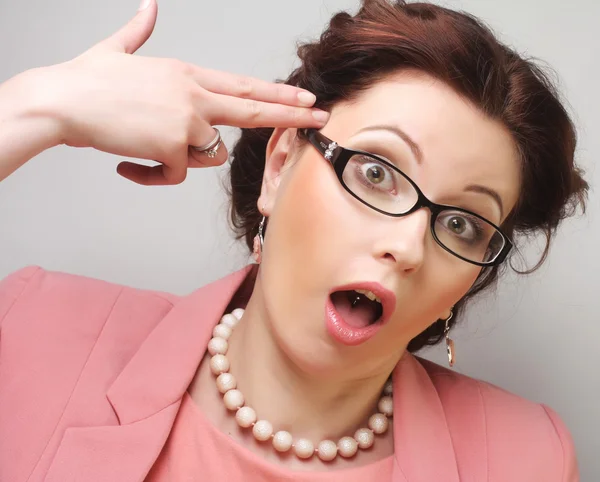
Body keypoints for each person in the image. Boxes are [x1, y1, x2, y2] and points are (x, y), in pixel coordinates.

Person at [0, 0, 589, 480]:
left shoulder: (529, 457)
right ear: (280, 164)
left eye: (462, 223)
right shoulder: (32, 325)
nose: (409, 248)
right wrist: (33, 109)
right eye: (376, 172)